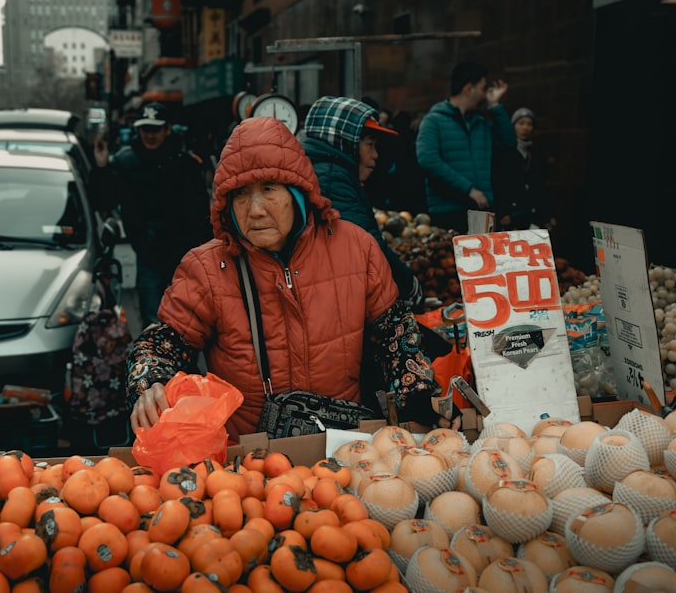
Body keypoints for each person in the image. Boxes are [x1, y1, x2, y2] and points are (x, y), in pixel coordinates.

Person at [126, 116, 452, 439]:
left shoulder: (357, 248)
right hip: (249, 461)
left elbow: (396, 336)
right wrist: (150, 380)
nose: (254, 209)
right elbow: (162, 342)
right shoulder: (208, 267)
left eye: (268, 189)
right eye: (240, 194)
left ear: (297, 193)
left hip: (345, 445)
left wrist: (418, 391)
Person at [88, 102, 212, 327]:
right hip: (148, 257)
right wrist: (102, 167)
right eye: (145, 129)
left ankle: (183, 363)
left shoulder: (185, 165)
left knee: (188, 324)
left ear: (167, 129)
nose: (150, 135)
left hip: (184, 258)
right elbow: (104, 200)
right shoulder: (126, 163)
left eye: (155, 129)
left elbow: (201, 212)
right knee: (152, 325)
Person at [301, 95, 424, 311]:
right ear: (346, 142)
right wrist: (409, 285)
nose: (375, 155)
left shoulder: (331, 172)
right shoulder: (330, 179)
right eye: (369, 145)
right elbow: (368, 245)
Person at [415, 61, 517, 233]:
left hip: (482, 210)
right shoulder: (433, 121)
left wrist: (495, 107)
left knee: (481, 259)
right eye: (484, 88)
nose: (485, 95)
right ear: (469, 88)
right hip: (448, 209)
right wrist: (468, 190)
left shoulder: (481, 123)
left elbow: (509, 144)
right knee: (451, 259)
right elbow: (428, 160)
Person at [493, 107, 557, 232]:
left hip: (532, 215)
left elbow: (540, 186)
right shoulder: (504, 152)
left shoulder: (534, 154)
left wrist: (548, 214)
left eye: (529, 124)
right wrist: (503, 212)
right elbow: (499, 183)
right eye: (521, 123)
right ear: (513, 126)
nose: (525, 128)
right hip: (512, 214)